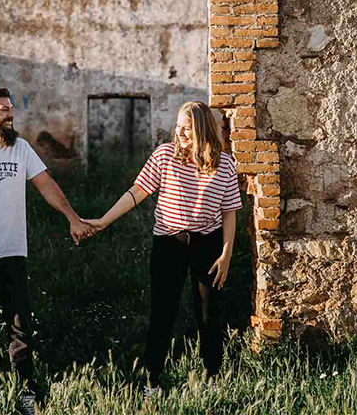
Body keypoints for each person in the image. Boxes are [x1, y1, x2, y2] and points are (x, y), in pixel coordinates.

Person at [0, 87, 96, 415]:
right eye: (4, 111)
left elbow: (47, 185)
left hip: (12, 251)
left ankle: (25, 389)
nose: (11, 116)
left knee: (20, 325)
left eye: (11, 110)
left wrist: (72, 218)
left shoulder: (20, 149)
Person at [83, 101, 243, 394]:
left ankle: (212, 381)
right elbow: (138, 191)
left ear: (203, 128)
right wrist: (105, 220)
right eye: (179, 126)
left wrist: (226, 253)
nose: (180, 132)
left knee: (209, 314)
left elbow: (229, 212)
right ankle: (152, 381)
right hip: (169, 242)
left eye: (188, 128)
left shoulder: (225, 164)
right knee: (162, 312)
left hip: (208, 243)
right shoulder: (165, 155)